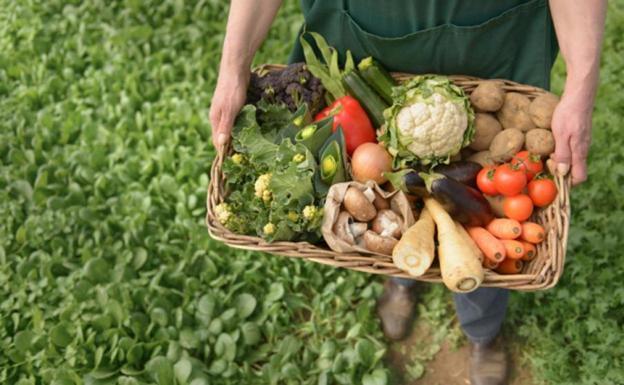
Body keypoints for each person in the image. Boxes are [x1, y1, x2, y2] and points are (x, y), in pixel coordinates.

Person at [210, 1, 606, 384]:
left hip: (490, 46)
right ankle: (402, 276)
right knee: (394, 208)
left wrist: (582, 84)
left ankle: (481, 330)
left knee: (482, 219)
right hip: (360, 44)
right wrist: (232, 67)